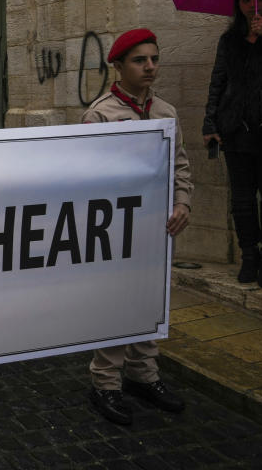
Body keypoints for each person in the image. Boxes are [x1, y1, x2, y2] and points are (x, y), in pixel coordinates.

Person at [83, 27, 191, 426]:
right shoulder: (100, 115)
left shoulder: (166, 112)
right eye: (140, 60)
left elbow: (180, 164)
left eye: (154, 59)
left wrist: (183, 202)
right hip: (115, 230)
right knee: (114, 304)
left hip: (157, 230)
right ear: (118, 66)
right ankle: (105, 383)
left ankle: (144, 376)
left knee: (151, 302)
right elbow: (88, 179)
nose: (150, 67)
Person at [203, 0, 262, 288]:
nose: (253, 5)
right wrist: (210, 124)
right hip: (235, 129)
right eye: (245, 0)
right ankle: (249, 256)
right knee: (241, 200)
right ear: (237, 5)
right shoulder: (230, 39)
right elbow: (218, 82)